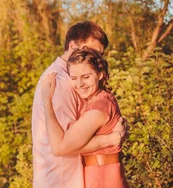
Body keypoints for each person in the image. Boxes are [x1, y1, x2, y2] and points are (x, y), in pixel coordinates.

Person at [32, 21, 125, 188]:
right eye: (92, 51)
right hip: (61, 179)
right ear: (73, 46)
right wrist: (109, 139)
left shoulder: (71, 79)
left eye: (100, 54)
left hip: (89, 175)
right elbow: (61, 146)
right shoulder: (60, 82)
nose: (97, 59)